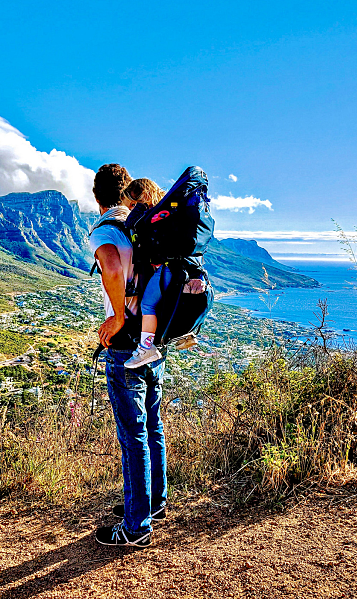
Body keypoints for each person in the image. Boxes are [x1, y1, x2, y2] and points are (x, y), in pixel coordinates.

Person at [89, 164, 166, 549]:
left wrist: (117, 316)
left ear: (97, 196)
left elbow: (114, 267)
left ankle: (136, 526)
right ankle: (153, 502)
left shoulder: (107, 229)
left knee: (132, 435)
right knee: (152, 426)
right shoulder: (144, 224)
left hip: (125, 346)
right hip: (153, 341)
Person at [121, 178, 206, 369]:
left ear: (145, 194)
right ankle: (184, 333)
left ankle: (146, 348)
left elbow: (131, 223)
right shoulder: (174, 206)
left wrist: (140, 209)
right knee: (171, 303)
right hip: (183, 267)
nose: (135, 205)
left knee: (148, 305)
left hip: (170, 267)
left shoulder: (158, 212)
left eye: (136, 200)